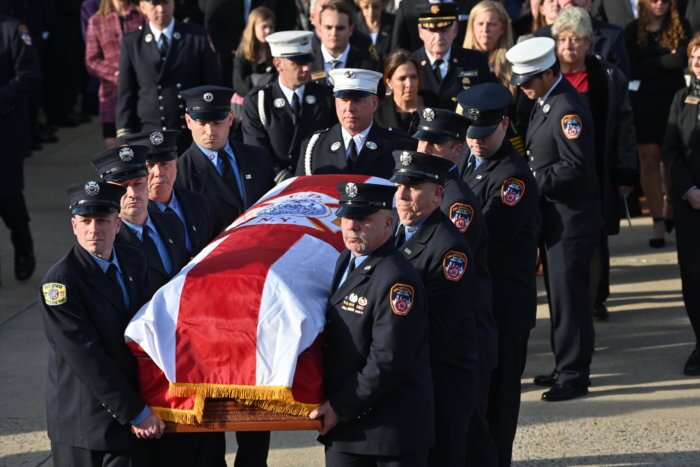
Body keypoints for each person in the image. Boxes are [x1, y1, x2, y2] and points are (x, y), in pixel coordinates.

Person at [39, 180, 165, 466]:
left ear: (117, 224)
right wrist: (137, 412)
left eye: (103, 221)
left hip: (130, 413)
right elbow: (86, 357)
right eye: (86, 221)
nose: (94, 229)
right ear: (74, 226)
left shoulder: (134, 260)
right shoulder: (60, 283)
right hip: (87, 424)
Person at [309, 182, 435, 466]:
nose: (351, 226)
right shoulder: (347, 260)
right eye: (347, 218)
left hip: (388, 435)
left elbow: (388, 359)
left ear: (389, 223)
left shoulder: (396, 279)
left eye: (363, 219)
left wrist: (340, 407)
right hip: (350, 429)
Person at [506, 37, 601, 401]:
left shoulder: (566, 109)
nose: (524, 89)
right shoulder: (548, 101)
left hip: (571, 219)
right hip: (556, 217)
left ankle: (574, 374)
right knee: (560, 298)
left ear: (548, 74)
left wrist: (531, 182)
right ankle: (566, 364)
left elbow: (574, 166)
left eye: (529, 81)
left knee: (570, 299)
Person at [458, 82, 539, 467]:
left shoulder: (512, 178)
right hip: (479, 306)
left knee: (499, 404)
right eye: (471, 134)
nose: (476, 142)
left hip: (504, 309)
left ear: (504, 125)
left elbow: (483, 236)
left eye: (485, 134)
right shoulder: (468, 161)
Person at [411, 107, 498, 466]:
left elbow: (444, 260)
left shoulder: (453, 201)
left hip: (461, 334)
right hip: (450, 330)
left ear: (457, 150)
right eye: (423, 140)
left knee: (462, 436)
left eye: (437, 143)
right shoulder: (430, 190)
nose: (426, 148)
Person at [391, 150, 478, 466]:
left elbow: (438, 327)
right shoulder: (396, 233)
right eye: (398, 186)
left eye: (412, 188)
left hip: (442, 381)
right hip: (414, 377)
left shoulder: (449, 248)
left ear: (438, 195)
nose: (401, 196)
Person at [552, 7, 638, 320]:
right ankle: (568, 300)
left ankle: (596, 298)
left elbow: (625, 127)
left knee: (596, 237)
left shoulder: (608, 77)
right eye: (562, 39)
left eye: (576, 39)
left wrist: (626, 171)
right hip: (556, 173)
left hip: (598, 170)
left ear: (589, 44)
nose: (569, 46)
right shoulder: (546, 77)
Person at [625, 0, 691, 247]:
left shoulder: (680, 25)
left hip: (672, 100)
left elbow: (681, 61)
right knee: (649, 160)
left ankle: (670, 204)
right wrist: (665, 59)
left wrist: (650, 64)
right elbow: (632, 68)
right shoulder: (632, 29)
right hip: (643, 103)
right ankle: (657, 221)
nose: (660, 3)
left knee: (671, 158)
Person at [115, 0, 221, 153]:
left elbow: (211, 85)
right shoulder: (132, 43)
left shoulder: (196, 37)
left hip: (189, 132)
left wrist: (213, 125)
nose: (161, 9)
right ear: (143, 7)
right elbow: (126, 93)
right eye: (154, 4)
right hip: (149, 133)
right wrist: (125, 136)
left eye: (165, 3)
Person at [92, 144, 189, 298]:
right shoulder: (106, 243)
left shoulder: (172, 223)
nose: (132, 194)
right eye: (122, 187)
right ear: (108, 192)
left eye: (138, 184)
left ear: (147, 180)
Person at [179, 86, 275, 237]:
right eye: (202, 123)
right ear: (189, 121)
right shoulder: (180, 173)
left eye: (217, 122)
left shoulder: (259, 158)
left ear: (230, 118)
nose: (210, 131)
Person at [242, 30, 337, 182]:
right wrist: (285, 179)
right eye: (298, 63)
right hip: (275, 186)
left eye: (308, 61)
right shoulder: (259, 101)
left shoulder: (326, 97)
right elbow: (256, 151)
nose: (306, 68)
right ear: (278, 64)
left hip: (316, 182)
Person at [297, 67, 415, 178]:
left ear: (374, 103)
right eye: (344, 100)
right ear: (335, 102)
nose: (349, 108)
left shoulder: (399, 147)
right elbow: (301, 195)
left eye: (357, 100)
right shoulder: (314, 146)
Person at [663, 33, 700, 376]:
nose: (698, 63)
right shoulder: (681, 97)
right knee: (692, 275)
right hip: (690, 203)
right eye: (694, 58)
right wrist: (688, 188)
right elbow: (670, 150)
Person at [123, 129, 214, 255]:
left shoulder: (198, 202)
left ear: (176, 162)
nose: (159, 172)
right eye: (149, 166)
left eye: (164, 164)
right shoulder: (135, 217)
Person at [0, 13, 40, 285]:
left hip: (6, 130)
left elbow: (29, 75)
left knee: (7, 193)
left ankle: (23, 246)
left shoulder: (13, 29)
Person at [413, 2, 494, 109]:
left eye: (444, 30)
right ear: (420, 31)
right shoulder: (410, 64)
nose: (438, 37)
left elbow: (489, 101)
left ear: (455, 29)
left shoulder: (476, 61)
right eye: (432, 30)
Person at [85, 0, 143, 149]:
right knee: (116, 148)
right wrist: (118, 74)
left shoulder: (142, 15)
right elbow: (91, 60)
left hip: (141, 93)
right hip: (111, 96)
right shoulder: (97, 21)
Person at [535, 0, 630, 78]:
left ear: (590, 2)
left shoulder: (613, 35)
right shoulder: (543, 36)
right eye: (562, 39)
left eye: (576, 39)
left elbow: (621, 80)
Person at [310, 0, 379, 84]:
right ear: (320, 29)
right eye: (328, 27)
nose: (334, 33)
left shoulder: (367, 66)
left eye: (340, 28)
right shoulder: (306, 63)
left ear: (350, 30)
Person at [374, 48, 439, 136]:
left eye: (413, 77)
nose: (409, 84)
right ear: (389, 82)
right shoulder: (377, 113)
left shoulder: (437, 105)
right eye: (402, 78)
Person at [463, 0, 516, 95]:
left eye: (492, 24)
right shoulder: (459, 63)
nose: (485, 30)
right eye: (480, 24)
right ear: (472, 27)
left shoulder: (515, 64)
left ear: (502, 28)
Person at [391, 0, 477, 53]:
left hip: (463, 70)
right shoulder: (407, 6)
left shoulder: (472, 3)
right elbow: (399, 49)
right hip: (420, 72)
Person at [232, 6, 276, 99]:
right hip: (250, 103)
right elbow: (240, 85)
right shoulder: (242, 55)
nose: (268, 31)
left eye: (271, 27)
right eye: (264, 27)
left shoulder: (276, 52)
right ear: (253, 27)